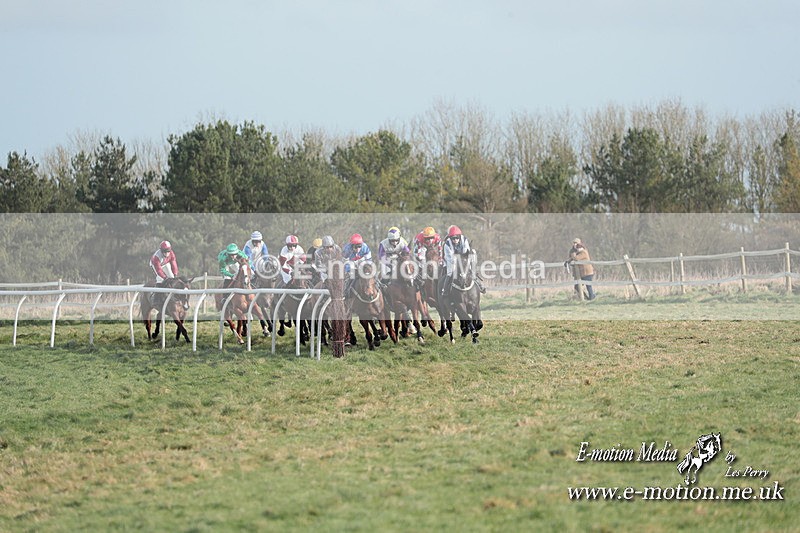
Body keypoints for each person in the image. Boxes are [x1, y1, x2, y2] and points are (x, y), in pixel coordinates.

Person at [441, 225, 486, 296]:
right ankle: (445, 289)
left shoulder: (464, 240)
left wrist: (462, 260)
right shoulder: (447, 244)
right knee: (449, 273)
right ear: (450, 238)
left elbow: (466, 251)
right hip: (451, 260)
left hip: (463, 258)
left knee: (470, 270)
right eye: (453, 238)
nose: (455, 240)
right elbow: (449, 256)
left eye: (456, 238)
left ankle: (480, 286)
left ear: (459, 236)